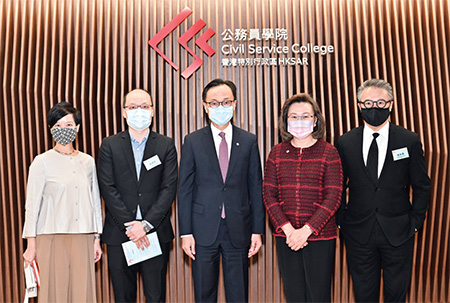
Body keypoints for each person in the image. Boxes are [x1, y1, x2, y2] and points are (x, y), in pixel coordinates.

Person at [336, 79, 430, 302]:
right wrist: (341, 220)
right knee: (363, 295)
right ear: (359, 106)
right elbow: (338, 185)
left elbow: (422, 185)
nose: (374, 108)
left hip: (399, 233)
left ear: (390, 104)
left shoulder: (409, 140)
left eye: (380, 102)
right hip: (358, 233)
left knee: (396, 295)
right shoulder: (346, 142)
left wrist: (415, 222)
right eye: (367, 103)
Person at [177, 78, 265, 302]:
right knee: (204, 293)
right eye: (214, 103)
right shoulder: (193, 141)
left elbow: (256, 188)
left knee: (238, 294)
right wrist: (185, 233)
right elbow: (185, 190)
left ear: (234, 104)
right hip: (202, 230)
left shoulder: (248, 141)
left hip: (239, 229)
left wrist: (257, 230)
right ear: (205, 107)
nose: (220, 107)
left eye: (226, 102)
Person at [97, 89, 178, 302]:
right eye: (132, 107)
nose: (138, 111)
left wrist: (146, 225)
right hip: (119, 234)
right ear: (124, 112)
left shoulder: (165, 145)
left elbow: (168, 188)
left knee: (155, 296)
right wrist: (131, 226)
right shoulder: (110, 145)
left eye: (144, 106)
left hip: (155, 233)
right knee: (123, 296)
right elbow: (107, 187)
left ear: (152, 110)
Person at [262, 93, 342, 302]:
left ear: (315, 120)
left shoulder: (329, 152)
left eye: (306, 116)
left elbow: (333, 195)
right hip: (286, 238)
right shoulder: (277, 152)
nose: (300, 121)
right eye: (294, 117)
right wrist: (289, 230)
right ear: (286, 121)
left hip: (320, 237)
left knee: (319, 295)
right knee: (294, 294)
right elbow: (269, 194)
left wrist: (306, 231)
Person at [22, 102, 103, 302]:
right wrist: (30, 245)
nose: (63, 130)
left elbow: (94, 202)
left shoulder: (88, 161)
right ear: (50, 129)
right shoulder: (41, 162)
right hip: (51, 236)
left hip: (83, 236)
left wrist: (96, 238)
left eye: (68, 125)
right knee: (54, 293)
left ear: (77, 127)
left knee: (82, 293)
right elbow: (31, 206)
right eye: (57, 126)